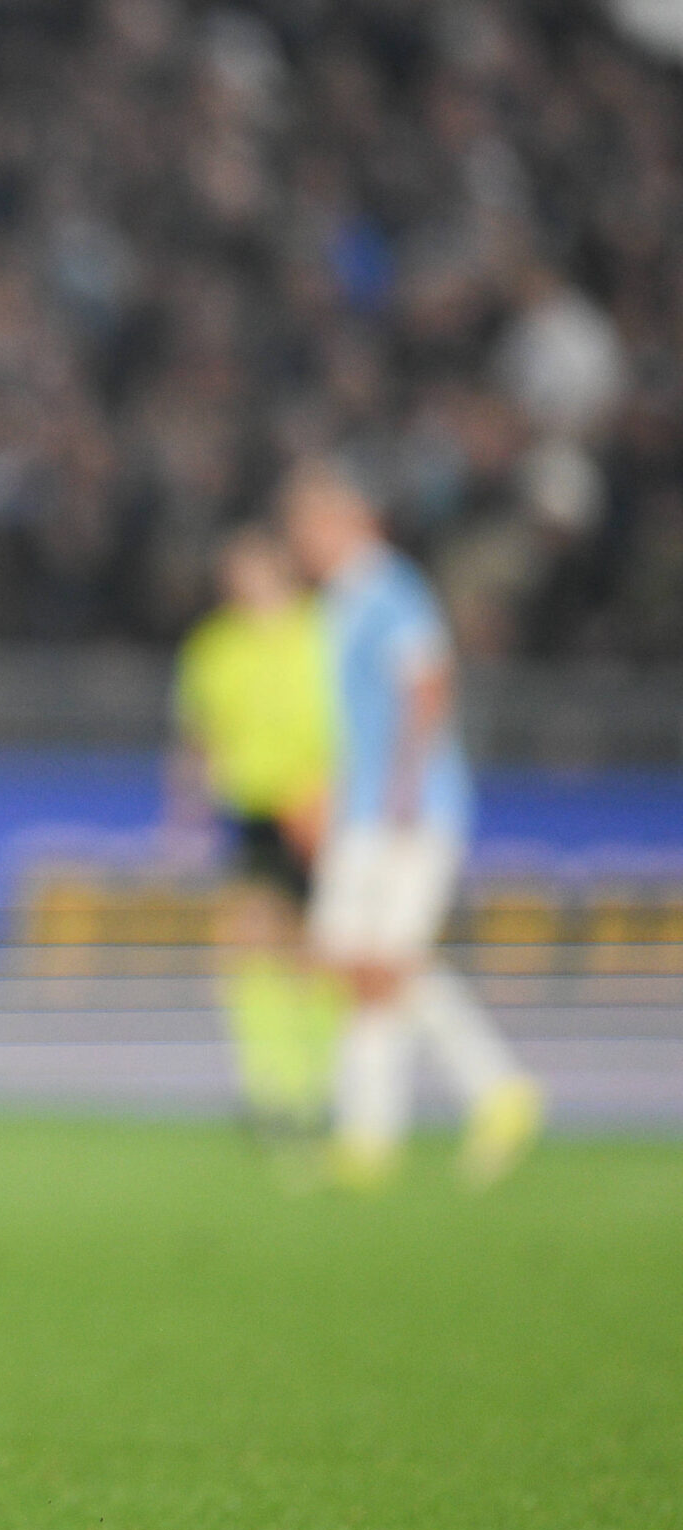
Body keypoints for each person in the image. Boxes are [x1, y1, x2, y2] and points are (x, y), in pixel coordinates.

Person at [280, 459, 546, 1190]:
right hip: (367, 803)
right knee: (358, 961)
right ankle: (467, 1102)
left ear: (347, 523)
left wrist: (400, 788)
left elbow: (426, 683)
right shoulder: (341, 600)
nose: (299, 542)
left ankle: (382, 1134)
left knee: (378, 965)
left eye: (308, 526)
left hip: (407, 809)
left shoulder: (390, 591)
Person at [169, 526, 341, 1139]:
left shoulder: (323, 632)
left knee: (316, 954)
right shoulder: (215, 646)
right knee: (245, 946)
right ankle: (268, 1090)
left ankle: (315, 1089)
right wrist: (186, 812)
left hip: (320, 809)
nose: (240, 584)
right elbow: (198, 734)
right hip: (251, 810)